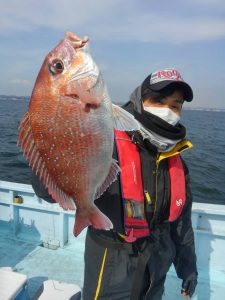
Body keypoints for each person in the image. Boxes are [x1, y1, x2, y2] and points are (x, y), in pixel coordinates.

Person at [31, 68, 198, 300]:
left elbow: (181, 222)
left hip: (158, 260)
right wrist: (55, 139)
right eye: (158, 101)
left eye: (175, 105)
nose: (168, 111)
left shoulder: (175, 158)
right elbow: (45, 192)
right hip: (111, 259)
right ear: (140, 100)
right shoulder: (106, 136)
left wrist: (188, 267)